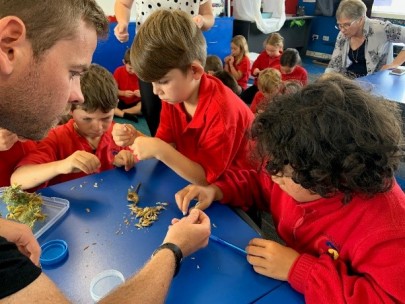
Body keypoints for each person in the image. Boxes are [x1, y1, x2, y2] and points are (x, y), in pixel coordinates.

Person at [0, 1, 210, 302]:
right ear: (9, 46)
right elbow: (20, 177)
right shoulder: (58, 138)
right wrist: (174, 249)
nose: (77, 94)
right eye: (73, 72)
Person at [175, 75, 405, 302]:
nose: (274, 177)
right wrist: (218, 190)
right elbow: (260, 183)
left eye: (283, 177)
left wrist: (298, 269)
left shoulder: (389, 231)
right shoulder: (291, 163)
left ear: (325, 179)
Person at [112, 10, 254, 187]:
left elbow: (205, 178)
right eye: (151, 83)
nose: (156, 92)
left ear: (194, 71)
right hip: (201, 177)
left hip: (239, 190)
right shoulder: (174, 96)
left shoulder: (222, 111)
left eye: (163, 82)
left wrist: (159, 149)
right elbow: (165, 143)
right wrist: (136, 139)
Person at [11, 64, 135, 190]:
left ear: (116, 107)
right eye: (87, 119)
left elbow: (141, 158)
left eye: (106, 118)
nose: (98, 127)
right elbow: (17, 180)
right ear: (69, 108)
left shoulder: (119, 134)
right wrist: (61, 166)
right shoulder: (56, 138)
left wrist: (127, 159)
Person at [114, 0, 215, 136]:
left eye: (162, 82)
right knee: (153, 108)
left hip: (183, 51)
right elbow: (123, 4)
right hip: (149, 53)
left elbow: (209, 16)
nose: (156, 90)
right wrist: (122, 23)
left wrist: (202, 20)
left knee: (188, 110)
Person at [326, 0, 405, 77]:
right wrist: (324, 80)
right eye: (339, 25)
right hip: (350, 80)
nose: (342, 30)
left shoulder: (381, 28)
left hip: (375, 82)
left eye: (347, 25)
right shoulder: (342, 35)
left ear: (360, 19)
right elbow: (334, 64)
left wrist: (395, 64)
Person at [240, 33, 284, 104]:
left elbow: (281, 77)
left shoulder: (282, 59)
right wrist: (255, 71)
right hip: (258, 86)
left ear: (280, 48)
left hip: (272, 90)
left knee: (266, 102)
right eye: (267, 50)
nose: (269, 53)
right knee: (243, 97)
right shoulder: (263, 55)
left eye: (272, 51)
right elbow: (254, 68)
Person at [113, 49, 142, 122]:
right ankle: (125, 113)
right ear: (124, 62)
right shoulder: (118, 71)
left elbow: (148, 93)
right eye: (130, 68)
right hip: (121, 101)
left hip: (136, 103)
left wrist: (141, 94)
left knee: (143, 107)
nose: (133, 71)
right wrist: (123, 93)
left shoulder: (141, 73)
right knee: (108, 105)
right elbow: (113, 90)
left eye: (136, 68)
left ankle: (122, 112)